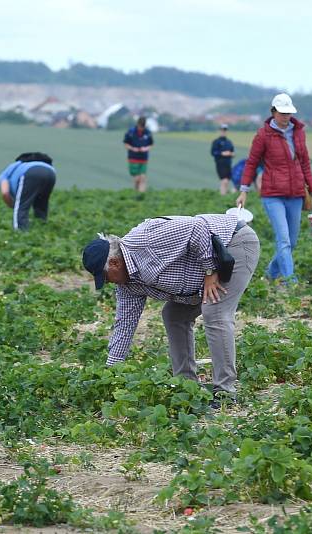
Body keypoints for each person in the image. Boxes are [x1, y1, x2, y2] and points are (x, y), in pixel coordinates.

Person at [82, 214, 259, 407]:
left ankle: (225, 394)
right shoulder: (127, 286)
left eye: (106, 276)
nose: (107, 282)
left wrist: (210, 271)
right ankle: (187, 386)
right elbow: (124, 326)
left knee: (214, 312)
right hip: (201, 272)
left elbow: (198, 228)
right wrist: (110, 372)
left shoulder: (145, 240)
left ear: (115, 263)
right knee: (174, 315)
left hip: (232, 244)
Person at [236, 93, 312, 285]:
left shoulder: (299, 132)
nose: (286, 116)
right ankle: (291, 282)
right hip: (272, 194)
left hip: (296, 194)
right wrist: (244, 190)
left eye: (288, 113)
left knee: (292, 241)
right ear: (273, 112)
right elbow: (251, 163)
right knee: (283, 240)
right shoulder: (263, 135)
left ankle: (270, 275)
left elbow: (305, 162)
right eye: (282, 113)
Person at [0, 152, 56, 230]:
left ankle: (20, 232)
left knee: (22, 207)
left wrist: (12, 205)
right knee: (41, 205)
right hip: (51, 173)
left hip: (30, 172)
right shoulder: (25, 165)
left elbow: (5, 193)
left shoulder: (5, 174)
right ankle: (42, 228)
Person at [123, 116, 154, 194]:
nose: (141, 128)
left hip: (143, 158)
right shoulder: (131, 132)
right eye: (140, 126)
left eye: (142, 127)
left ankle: (142, 194)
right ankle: (137, 193)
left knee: (143, 177)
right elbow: (126, 144)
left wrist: (145, 148)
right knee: (137, 179)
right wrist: (133, 148)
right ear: (137, 124)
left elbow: (151, 144)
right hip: (133, 158)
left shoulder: (148, 133)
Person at [211, 124, 235, 195]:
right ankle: (223, 195)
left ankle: (224, 194)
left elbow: (232, 152)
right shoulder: (216, 141)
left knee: (227, 181)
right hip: (220, 164)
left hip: (228, 163)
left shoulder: (229, 142)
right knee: (224, 180)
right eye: (222, 130)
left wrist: (231, 154)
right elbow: (213, 152)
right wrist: (222, 153)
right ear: (220, 131)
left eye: (225, 130)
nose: (224, 132)